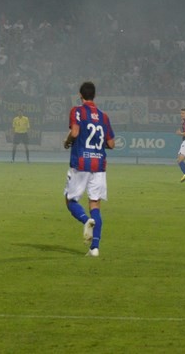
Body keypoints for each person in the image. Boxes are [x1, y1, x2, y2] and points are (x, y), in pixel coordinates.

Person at [63, 81, 115, 257]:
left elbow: (75, 132)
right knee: (95, 204)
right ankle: (94, 248)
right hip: (99, 164)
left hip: (81, 162)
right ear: (94, 95)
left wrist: (67, 141)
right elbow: (111, 144)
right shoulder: (103, 116)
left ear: (80, 95)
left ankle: (86, 220)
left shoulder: (77, 111)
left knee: (70, 200)